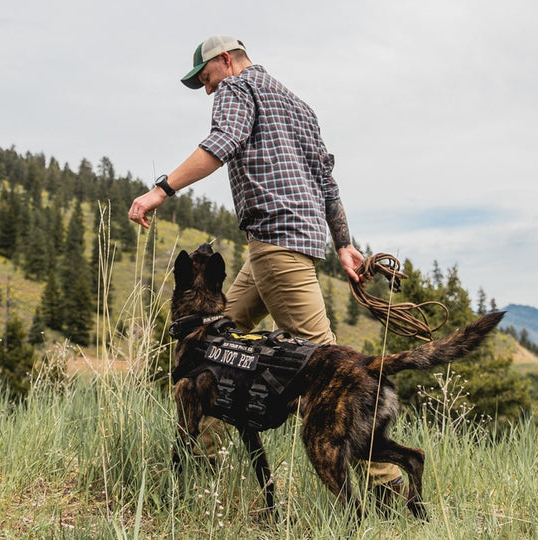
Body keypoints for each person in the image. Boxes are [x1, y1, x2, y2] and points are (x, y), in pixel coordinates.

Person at [128, 35, 406, 506]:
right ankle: (204, 459)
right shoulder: (298, 105)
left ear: (225, 60)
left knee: (331, 373)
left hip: (276, 248)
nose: (209, 90)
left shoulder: (239, 89)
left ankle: (386, 485)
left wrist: (161, 190)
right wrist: (343, 245)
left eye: (206, 78)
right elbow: (326, 182)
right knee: (211, 345)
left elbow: (222, 142)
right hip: (282, 248)